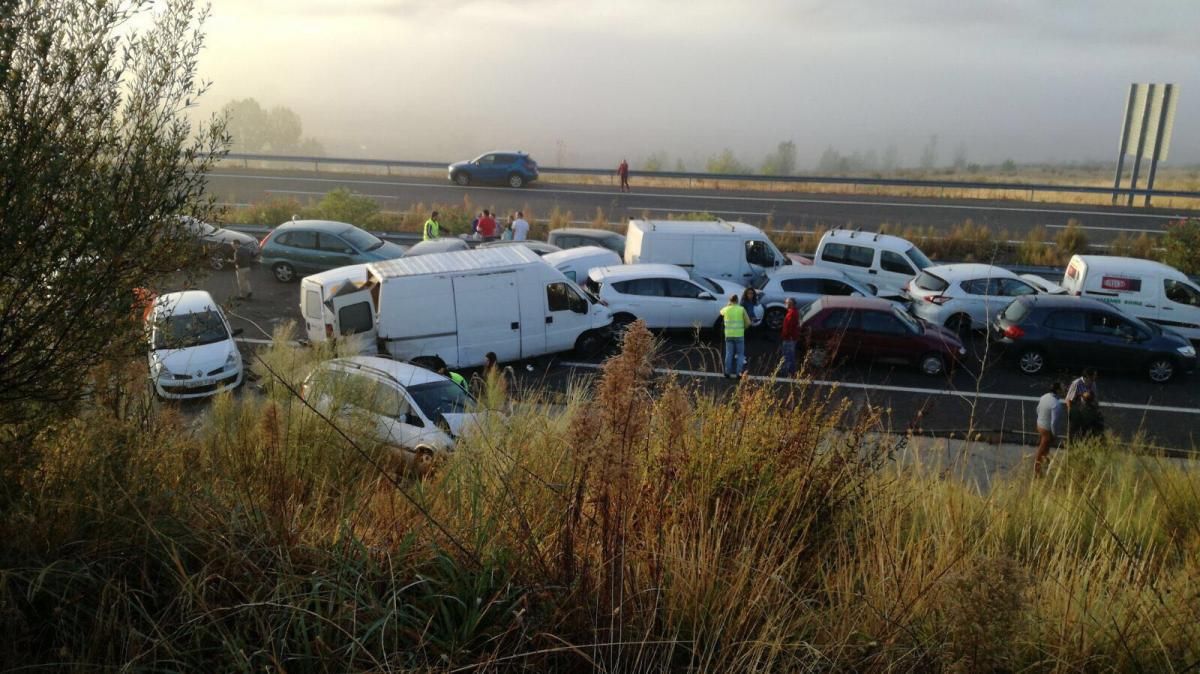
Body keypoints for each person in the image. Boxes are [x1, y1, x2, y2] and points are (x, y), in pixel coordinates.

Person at [1034, 382, 1066, 477]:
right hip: (1046, 429)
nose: (1064, 390)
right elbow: (1054, 422)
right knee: (1042, 448)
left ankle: (1044, 461)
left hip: (1039, 424)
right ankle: (1037, 470)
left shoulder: (1044, 397)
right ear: (1058, 390)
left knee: (1044, 447)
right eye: (1062, 388)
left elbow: (1037, 409)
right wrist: (1054, 434)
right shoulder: (1056, 404)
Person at [720, 294, 749, 378]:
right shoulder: (741, 309)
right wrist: (744, 328)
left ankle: (727, 372)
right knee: (740, 354)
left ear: (730, 301)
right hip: (739, 335)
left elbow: (721, 312)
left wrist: (728, 305)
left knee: (729, 353)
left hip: (728, 334)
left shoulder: (726, 309)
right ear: (737, 300)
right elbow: (748, 322)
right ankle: (738, 373)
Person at [779, 297, 800, 376]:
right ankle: (792, 371)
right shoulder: (793, 312)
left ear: (791, 304)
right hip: (792, 337)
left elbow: (789, 328)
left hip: (789, 338)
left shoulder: (791, 314)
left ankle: (784, 372)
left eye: (787, 303)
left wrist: (785, 336)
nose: (785, 304)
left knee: (787, 356)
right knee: (791, 355)